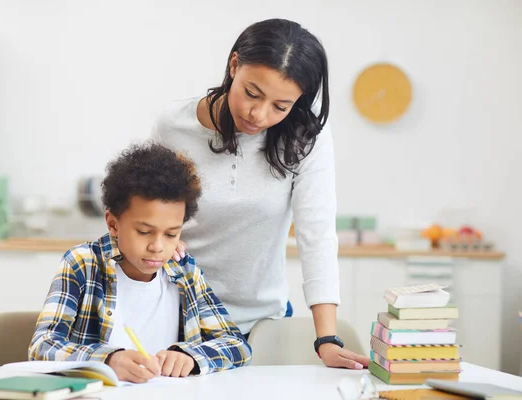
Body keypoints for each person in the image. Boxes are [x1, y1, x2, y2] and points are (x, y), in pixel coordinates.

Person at [151, 18, 368, 370]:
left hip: (262, 323)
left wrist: (326, 338)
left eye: (280, 106)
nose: (258, 114)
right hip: (173, 315)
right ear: (234, 65)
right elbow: (146, 214)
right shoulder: (172, 126)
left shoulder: (305, 138)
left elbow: (317, 236)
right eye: (252, 93)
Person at [29, 143, 252, 383]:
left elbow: (236, 344)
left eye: (170, 234)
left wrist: (191, 356)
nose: (157, 246)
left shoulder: (184, 270)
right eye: (144, 232)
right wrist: (108, 360)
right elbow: (42, 346)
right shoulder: (83, 264)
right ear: (113, 224)